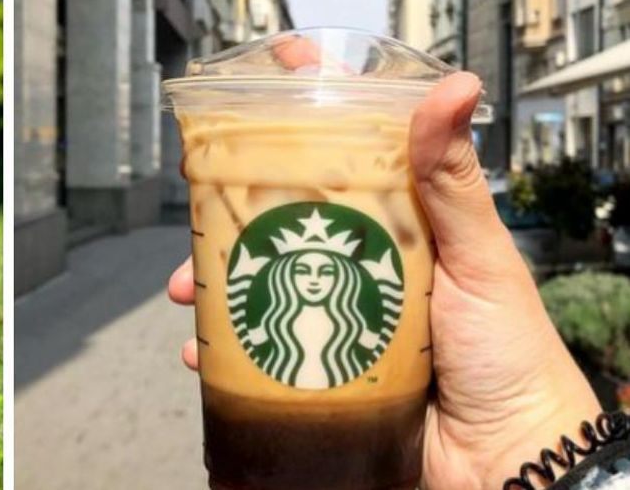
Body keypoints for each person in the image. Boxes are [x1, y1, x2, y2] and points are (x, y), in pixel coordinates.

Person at [169, 72, 628, 489]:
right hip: (247, 467)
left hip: (391, 465)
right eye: (302, 268)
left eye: (327, 268)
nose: (314, 279)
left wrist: (528, 435)